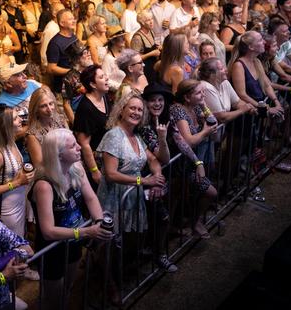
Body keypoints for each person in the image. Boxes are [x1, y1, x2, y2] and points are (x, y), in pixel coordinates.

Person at [29, 128, 111, 309]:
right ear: (58, 155)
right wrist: (87, 231)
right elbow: (48, 231)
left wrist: (98, 222)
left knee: (69, 288)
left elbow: (90, 197)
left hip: (73, 241)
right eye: (73, 146)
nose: (79, 148)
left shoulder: (77, 167)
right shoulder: (44, 185)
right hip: (52, 250)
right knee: (53, 298)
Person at [97, 92, 176, 270]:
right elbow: (111, 174)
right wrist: (146, 182)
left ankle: (120, 274)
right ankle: (107, 283)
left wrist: (157, 178)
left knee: (126, 241)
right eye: (132, 108)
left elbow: (155, 160)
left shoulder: (135, 136)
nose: (136, 112)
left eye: (140, 109)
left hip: (131, 195)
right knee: (109, 242)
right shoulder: (114, 136)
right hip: (114, 197)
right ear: (121, 110)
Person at [168, 80, 218, 237]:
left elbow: (214, 125)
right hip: (183, 164)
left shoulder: (196, 107)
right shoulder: (178, 110)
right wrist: (205, 132)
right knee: (210, 192)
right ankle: (193, 222)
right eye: (199, 93)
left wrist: (203, 105)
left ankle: (192, 222)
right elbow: (188, 140)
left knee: (179, 197)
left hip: (196, 160)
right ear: (187, 97)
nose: (203, 95)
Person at [0, 105, 34, 238]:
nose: (20, 120)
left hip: (19, 201)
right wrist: (17, 183)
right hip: (5, 210)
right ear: (6, 126)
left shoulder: (12, 141)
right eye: (16, 119)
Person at [229, 31, 285, 118]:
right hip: (247, 114)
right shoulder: (239, 65)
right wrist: (265, 108)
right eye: (260, 40)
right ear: (251, 47)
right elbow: (242, 94)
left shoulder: (257, 61)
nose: (264, 42)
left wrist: (276, 101)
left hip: (259, 109)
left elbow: (267, 85)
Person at [198, 57, 255, 123]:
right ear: (212, 75)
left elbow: (237, 102)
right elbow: (222, 117)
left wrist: (250, 108)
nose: (226, 70)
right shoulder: (206, 87)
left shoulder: (225, 82)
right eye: (221, 68)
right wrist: (242, 110)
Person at [25, 86, 68, 169]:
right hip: (52, 173)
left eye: (51, 104)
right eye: (43, 106)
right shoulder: (32, 135)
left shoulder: (61, 119)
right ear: (36, 109)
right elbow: (40, 167)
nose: (49, 109)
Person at [129, 11, 161, 84]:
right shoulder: (137, 37)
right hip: (145, 70)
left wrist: (158, 47)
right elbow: (134, 59)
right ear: (142, 23)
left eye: (151, 19)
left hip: (154, 68)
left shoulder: (151, 32)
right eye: (148, 20)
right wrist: (151, 54)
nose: (151, 22)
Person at [102, 27, 127, 92]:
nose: (124, 39)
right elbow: (106, 80)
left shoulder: (124, 53)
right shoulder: (108, 59)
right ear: (113, 41)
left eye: (123, 36)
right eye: (121, 37)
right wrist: (121, 87)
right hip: (117, 94)